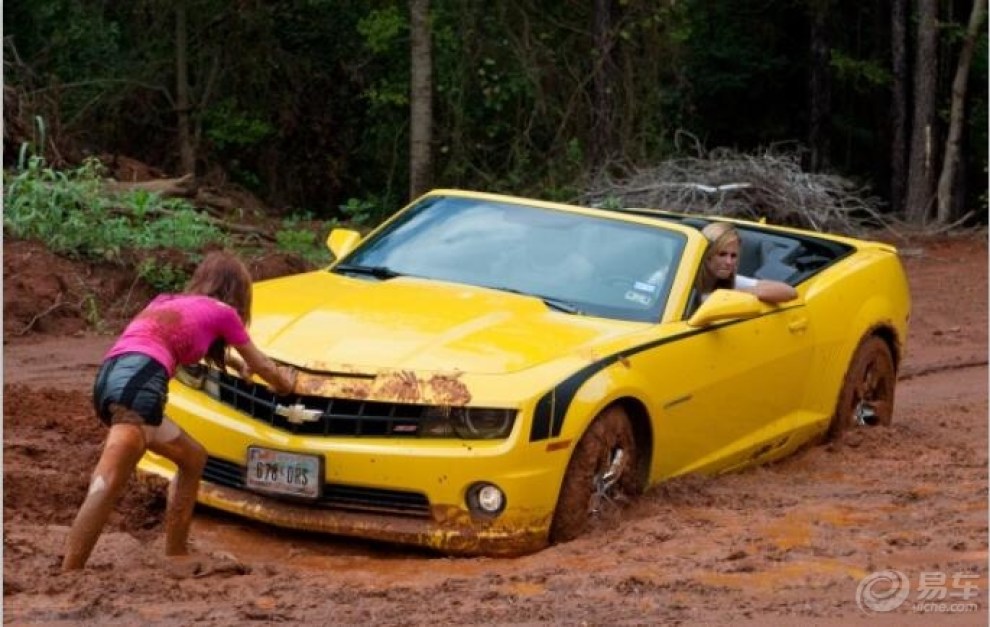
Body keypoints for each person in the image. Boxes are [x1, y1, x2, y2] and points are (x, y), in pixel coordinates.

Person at [62, 250, 297, 571]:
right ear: (238, 290)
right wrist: (285, 385)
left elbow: (173, 339)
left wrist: (234, 363)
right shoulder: (225, 312)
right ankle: (69, 573)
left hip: (111, 376)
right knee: (108, 480)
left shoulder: (165, 302)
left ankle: (176, 553)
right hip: (141, 382)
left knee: (192, 457)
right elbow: (263, 365)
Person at [695, 221, 797, 304]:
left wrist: (730, 296)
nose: (729, 262)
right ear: (707, 254)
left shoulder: (733, 282)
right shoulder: (686, 280)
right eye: (722, 254)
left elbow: (790, 292)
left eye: (733, 256)